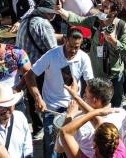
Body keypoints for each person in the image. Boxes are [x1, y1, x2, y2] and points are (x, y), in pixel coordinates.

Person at [56, 0, 126, 107]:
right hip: (96, 75)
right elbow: (77, 20)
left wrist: (113, 41)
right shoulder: (95, 21)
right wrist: (60, 10)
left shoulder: (121, 26)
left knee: (115, 107)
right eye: (101, 6)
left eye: (105, 7)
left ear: (114, 12)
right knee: (94, 107)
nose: (100, 9)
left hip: (113, 77)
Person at [31, 28, 93, 158]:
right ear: (65, 40)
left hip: (73, 108)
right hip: (51, 107)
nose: (74, 50)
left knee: (72, 144)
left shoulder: (84, 58)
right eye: (71, 46)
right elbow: (30, 75)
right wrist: (38, 98)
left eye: (77, 47)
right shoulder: (51, 55)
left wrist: (85, 102)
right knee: (51, 146)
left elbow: (90, 84)